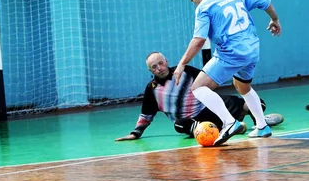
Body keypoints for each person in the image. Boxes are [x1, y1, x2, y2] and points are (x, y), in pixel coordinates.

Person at [174, 0, 282, 146]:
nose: (194, 3)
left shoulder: (204, 7)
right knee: (242, 86)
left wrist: (182, 63)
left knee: (198, 87)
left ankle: (229, 123)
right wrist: (275, 20)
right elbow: (265, 2)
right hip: (252, 49)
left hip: (231, 52)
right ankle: (262, 126)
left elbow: (199, 40)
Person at [115, 52, 283, 141]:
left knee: (256, 103)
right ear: (150, 71)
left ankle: (260, 123)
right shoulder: (151, 89)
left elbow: (208, 80)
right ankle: (222, 131)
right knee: (179, 126)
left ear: (166, 61)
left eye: (161, 63)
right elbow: (146, 115)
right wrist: (136, 133)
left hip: (207, 108)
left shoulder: (186, 71)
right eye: (154, 67)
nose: (159, 68)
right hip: (191, 121)